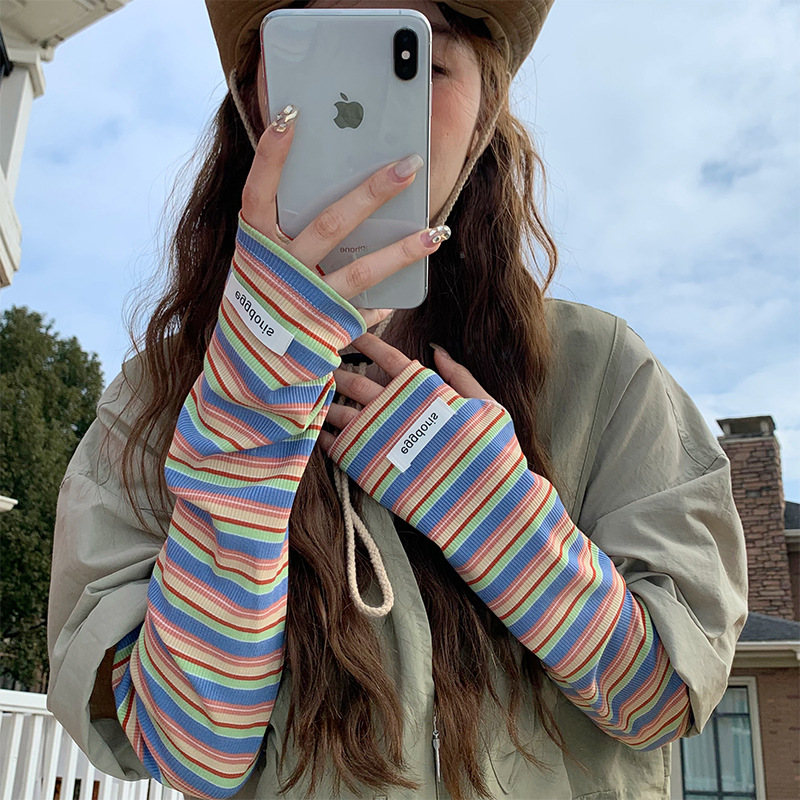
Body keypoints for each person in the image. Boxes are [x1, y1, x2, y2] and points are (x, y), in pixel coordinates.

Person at [46, 1, 748, 799]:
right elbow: (189, 753)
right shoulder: (154, 397)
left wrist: (494, 513)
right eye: (323, 60)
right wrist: (245, 420)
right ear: (253, 102)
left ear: (484, 116)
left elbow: (660, 699)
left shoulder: (605, 373)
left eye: (421, 62)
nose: (366, 108)